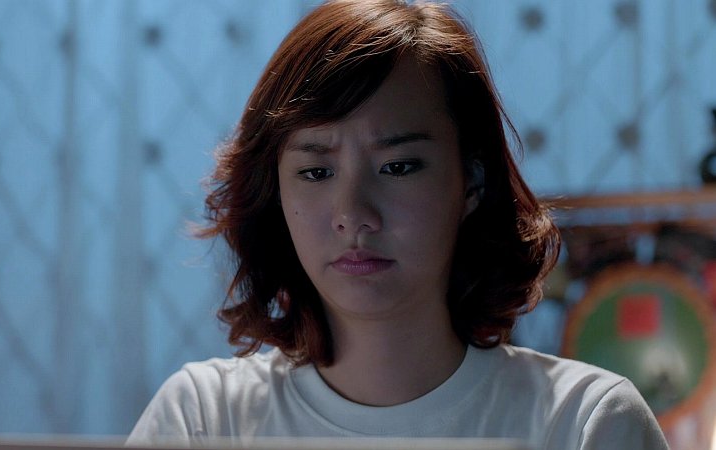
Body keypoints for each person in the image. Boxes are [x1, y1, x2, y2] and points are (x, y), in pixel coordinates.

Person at [128, 1, 668, 448]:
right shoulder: (204, 420)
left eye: (398, 167)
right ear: (274, 192)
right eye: (315, 172)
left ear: (471, 181)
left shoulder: (582, 423)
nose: (353, 215)